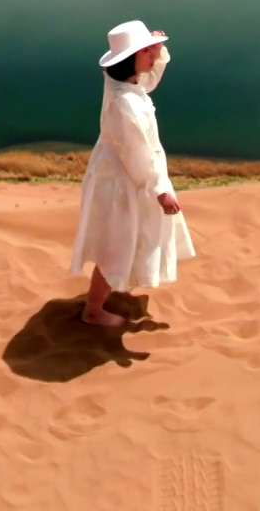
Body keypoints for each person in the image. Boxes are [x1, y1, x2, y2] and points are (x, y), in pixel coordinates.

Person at [70, 19, 195, 327]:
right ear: (130, 59)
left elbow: (148, 79)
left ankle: (106, 295)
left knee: (127, 238)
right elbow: (138, 155)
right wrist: (160, 191)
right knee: (117, 243)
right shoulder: (125, 103)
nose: (152, 58)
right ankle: (94, 309)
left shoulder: (120, 82)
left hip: (122, 173)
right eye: (145, 53)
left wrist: (153, 48)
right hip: (123, 181)